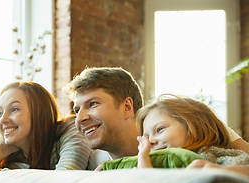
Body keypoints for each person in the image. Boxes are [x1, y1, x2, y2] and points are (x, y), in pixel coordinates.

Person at [64, 67, 249, 174]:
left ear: (127, 107)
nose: (80, 118)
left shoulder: (190, 123)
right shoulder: (93, 160)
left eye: (93, 104)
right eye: (77, 110)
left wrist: (219, 172)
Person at [97, 94, 249, 171]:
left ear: (193, 126)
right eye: (147, 136)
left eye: (160, 129)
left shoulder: (218, 157)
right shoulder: (162, 162)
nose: (150, 141)